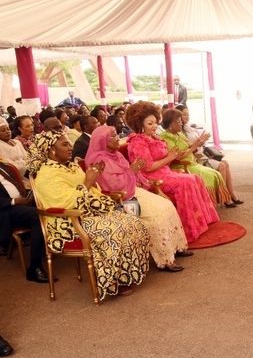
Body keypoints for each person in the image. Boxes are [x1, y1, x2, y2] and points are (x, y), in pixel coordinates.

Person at [30, 131, 151, 299]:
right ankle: (112, 281)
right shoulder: (46, 175)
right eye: (64, 145)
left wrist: (93, 180)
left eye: (69, 143)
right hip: (67, 222)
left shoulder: (71, 166)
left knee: (132, 223)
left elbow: (89, 192)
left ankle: (126, 274)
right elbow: (66, 203)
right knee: (113, 230)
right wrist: (88, 181)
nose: (70, 147)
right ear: (52, 150)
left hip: (87, 213)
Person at [86, 125, 190, 272]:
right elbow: (113, 185)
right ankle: (166, 260)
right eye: (114, 136)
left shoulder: (116, 155)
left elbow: (129, 175)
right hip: (120, 199)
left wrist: (133, 173)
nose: (118, 138)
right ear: (103, 141)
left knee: (166, 205)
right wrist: (131, 171)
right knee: (156, 216)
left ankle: (177, 247)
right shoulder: (99, 160)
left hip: (133, 190)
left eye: (117, 135)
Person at [125, 101, 218, 243]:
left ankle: (201, 223)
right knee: (186, 181)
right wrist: (170, 157)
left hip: (165, 172)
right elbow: (148, 168)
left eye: (155, 122)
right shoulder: (138, 142)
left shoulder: (153, 138)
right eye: (150, 123)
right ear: (139, 124)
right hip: (150, 178)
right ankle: (188, 230)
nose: (155, 126)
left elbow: (164, 161)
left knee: (195, 178)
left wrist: (172, 157)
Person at [159, 109, 240, 207]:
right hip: (182, 165)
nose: (181, 123)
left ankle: (211, 204)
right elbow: (177, 156)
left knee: (216, 173)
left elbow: (190, 147)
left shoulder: (179, 134)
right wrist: (195, 146)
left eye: (181, 120)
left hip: (194, 161)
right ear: (171, 124)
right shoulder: (166, 138)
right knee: (210, 175)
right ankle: (208, 205)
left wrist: (198, 143)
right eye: (178, 121)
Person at [0, 158, 50, 283]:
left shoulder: (3, 166)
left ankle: (51, 248)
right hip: (5, 209)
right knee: (36, 215)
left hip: (21, 203)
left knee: (47, 206)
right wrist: (14, 201)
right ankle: (35, 266)